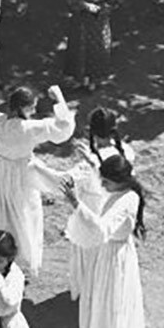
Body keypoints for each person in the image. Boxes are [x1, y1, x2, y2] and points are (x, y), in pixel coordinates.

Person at [0, 80, 75, 277]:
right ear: (24, 107)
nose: (34, 110)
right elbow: (63, 129)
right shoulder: (29, 128)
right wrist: (60, 99)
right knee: (23, 214)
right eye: (32, 107)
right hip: (21, 175)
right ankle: (18, 259)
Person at [62, 153, 148, 328]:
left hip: (114, 259)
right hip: (111, 255)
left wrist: (76, 203)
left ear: (118, 182)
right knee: (106, 306)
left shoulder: (126, 200)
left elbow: (101, 228)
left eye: (106, 182)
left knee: (109, 308)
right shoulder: (123, 192)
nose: (103, 186)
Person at [65, 107, 135, 301]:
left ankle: (89, 289)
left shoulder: (91, 160)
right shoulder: (127, 152)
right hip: (112, 207)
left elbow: (68, 179)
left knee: (88, 251)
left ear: (92, 131)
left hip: (90, 209)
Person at [64, 0, 118, 92]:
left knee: (98, 51)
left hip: (99, 22)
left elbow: (113, 0)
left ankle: (94, 80)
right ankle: (80, 79)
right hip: (81, 21)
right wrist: (85, 5)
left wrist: (101, 9)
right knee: (80, 49)